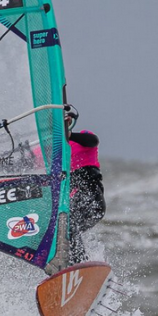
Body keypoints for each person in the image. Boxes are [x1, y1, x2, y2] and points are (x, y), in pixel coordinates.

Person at [45, 108, 106, 274]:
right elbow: (25, 159)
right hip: (73, 203)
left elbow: (93, 141)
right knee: (59, 228)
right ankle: (64, 270)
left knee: (68, 225)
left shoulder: (82, 139)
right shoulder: (52, 150)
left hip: (92, 201)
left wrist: (69, 135)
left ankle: (80, 267)